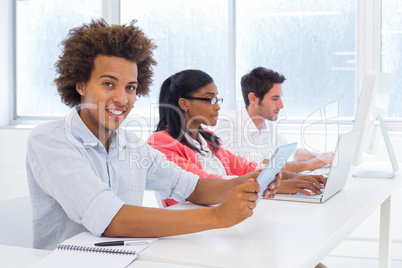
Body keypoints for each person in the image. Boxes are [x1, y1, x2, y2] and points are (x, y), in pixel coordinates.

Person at [26, 20, 279, 250]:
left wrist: (249, 182)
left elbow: (192, 187)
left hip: (129, 258)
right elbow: (111, 220)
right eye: (108, 84)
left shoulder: (131, 145)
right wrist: (217, 217)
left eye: (131, 87)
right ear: (80, 85)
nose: (122, 99)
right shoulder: (51, 141)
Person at [147, 69, 324, 206]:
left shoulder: (208, 140)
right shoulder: (161, 143)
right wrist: (271, 185)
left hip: (224, 212)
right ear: (184, 103)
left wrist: (291, 178)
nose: (217, 107)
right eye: (210, 100)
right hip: (195, 225)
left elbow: (246, 167)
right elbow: (201, 185)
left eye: (218, 99)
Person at [214, 67, 334, 173]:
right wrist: (312, 164)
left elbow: (293, 154)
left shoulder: (266, 125)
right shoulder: (230, 123)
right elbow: (260, 167)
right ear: (253, 98)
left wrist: (325, 158)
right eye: (275, 98)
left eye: (280, 98)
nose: (281, 105)